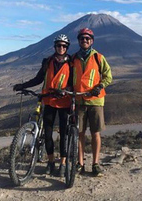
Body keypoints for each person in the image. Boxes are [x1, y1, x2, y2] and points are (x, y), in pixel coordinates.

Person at [13, 34, 72, 177]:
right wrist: (23, 85)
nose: (61, 48)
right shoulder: (47, 62)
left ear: (67, 47)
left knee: (64, 134)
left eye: (64, 46)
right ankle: (51, 162)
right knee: (48, 134)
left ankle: (63, 163)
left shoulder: (71, 63)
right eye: (59, 45)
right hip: (49, 101)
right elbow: (39, 79)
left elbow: (73, 82)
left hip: (64, 102)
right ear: (55, 46)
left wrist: (65, 91)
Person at [72, 28, 112, 177]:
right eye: (82, 38)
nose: (85, 41)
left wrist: (99, 86)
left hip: (95, 101)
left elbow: (108, 76)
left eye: (87, 38)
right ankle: (80, 163)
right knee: (79, 134)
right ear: (79, 40)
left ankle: (95, 164)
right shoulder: (73, 58)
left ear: (92, 41)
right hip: (80, 100)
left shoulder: (99, 58)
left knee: (95, 133)